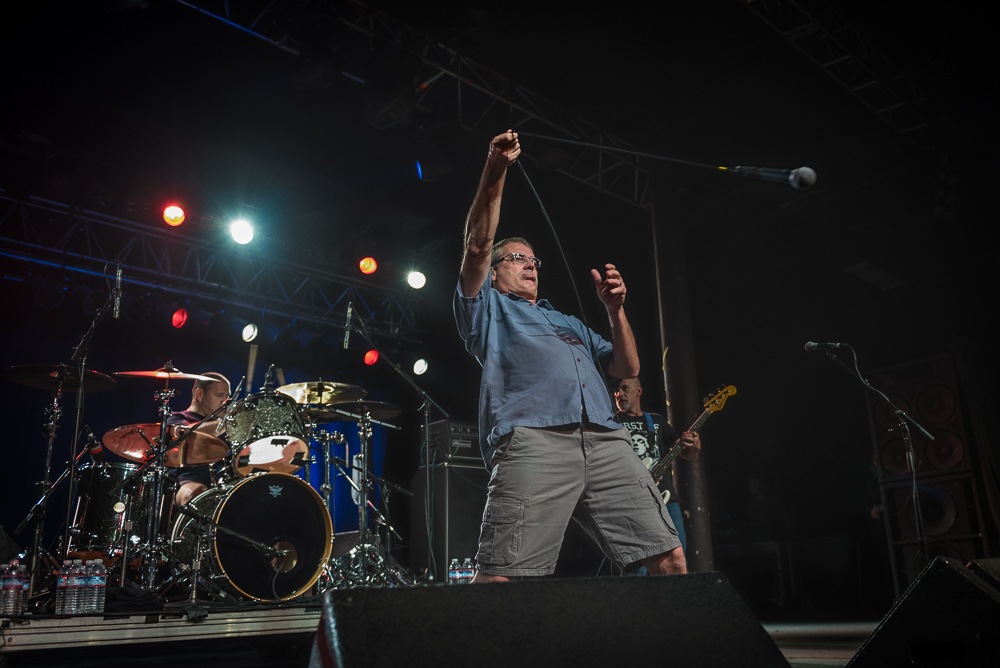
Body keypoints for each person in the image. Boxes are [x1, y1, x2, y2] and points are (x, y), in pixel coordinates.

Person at [454, 130, 686, 582]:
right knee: (502, 576)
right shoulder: (486, 308)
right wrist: (496, 169)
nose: (529, 264)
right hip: (534, 442)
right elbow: (478, 245)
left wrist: (615, 311)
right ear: (494, 274)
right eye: (516, 257)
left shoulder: (567, 322)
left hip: (606, 440)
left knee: (670, 559)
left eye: (533, 260)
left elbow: (628, 369)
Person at [614, 377, 701, 556]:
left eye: (624, 388)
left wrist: (695, 447)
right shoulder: (612, 421)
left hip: (665, 500)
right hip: (631, 501)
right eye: (616, 391)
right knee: (638, 560)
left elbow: (686, 454)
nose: (618, 394)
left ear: (638, 391)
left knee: (677, 555)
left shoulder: (657, 421)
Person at [167, 372, 231, 507]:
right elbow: (184, 433)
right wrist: (227, 423)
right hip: (185, 482)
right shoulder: (178, 419)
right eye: (219, 395)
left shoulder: (228, 428)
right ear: (199, 394)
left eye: (227, 397)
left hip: (223, 484)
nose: (225, 401)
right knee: (196, 493)